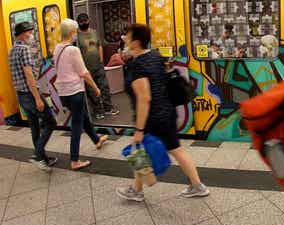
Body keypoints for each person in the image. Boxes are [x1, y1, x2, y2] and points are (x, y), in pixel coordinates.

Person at [116, 23, 209, 201]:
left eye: (126, 37)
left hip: (152, 118)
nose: (124, 39)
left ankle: (136, 191)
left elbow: (144, 98)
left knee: (139, 150)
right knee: (176, 149)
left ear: (135, 42)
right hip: (167, 112)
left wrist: (139, 129)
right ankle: (198, 186)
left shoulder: (137, 66)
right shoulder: (155, 55)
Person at [53, 19, 109, 170]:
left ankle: (97, 140)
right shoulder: (73, 50)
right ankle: (74, 160)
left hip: (64, 93)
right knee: (77, 125)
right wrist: (96, 88)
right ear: (72, 33)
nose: (77, 34)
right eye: (76, 31)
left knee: (83, 117)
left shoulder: (57, 48)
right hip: (75, 92)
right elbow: (84, 72)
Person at [9, 21, 57, 171]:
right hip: (30, 94)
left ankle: (42, 158)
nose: (31, 35)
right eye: (29, 32)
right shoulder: (24, 49)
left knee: (34, 126)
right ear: (23, 34)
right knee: (50, 122)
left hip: (21, 95)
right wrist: (37, 98)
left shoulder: (12, 50)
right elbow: (29, 74)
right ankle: (37, 156)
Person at [76, 13, 119, 120]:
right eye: (81, 22)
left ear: (88, 20)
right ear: (78, 23)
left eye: (85, 21)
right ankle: (98, 110)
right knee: (92, 90)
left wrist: (101, 60)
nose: (84, 23)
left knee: (104, 87)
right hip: (86, 68)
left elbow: (99, 45)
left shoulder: (94, 32)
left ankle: (108, 107)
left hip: (98, 65)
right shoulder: (76, 36)